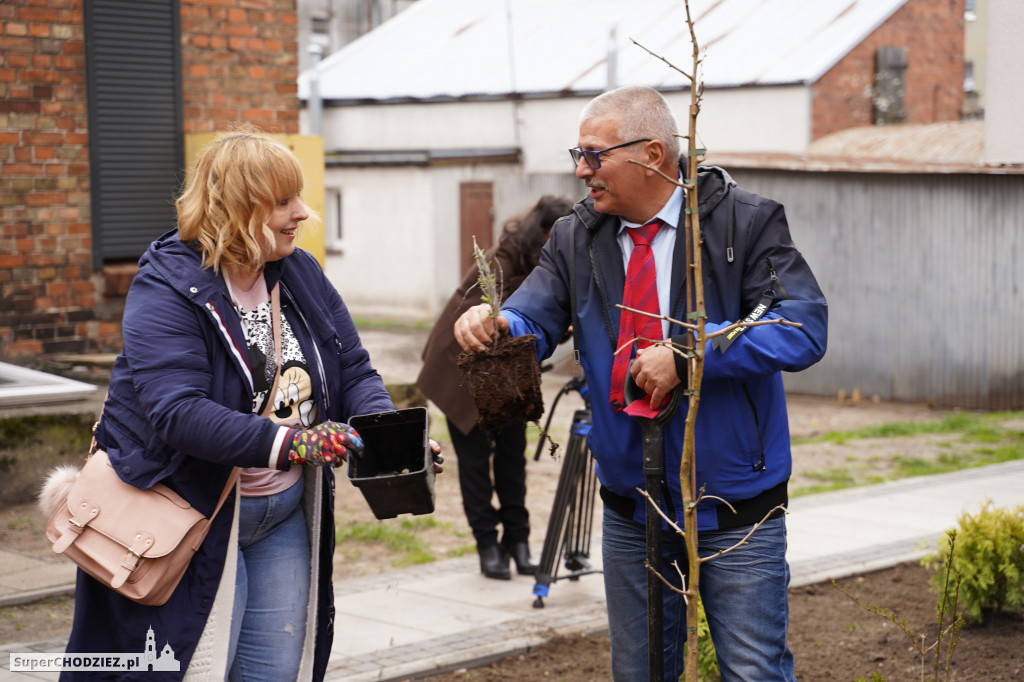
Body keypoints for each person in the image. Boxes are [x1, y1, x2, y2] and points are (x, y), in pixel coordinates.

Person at [455, 85, 827, 680]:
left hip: (735, 510)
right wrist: (497, 322)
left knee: (753, 672)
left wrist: (689, 354)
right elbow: (534, 314)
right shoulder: (575, 237)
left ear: (652, 153)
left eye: (593, 154)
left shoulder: (744, 222)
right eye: (576, 154)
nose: (581, 170)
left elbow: (800, 324)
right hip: (632, 510)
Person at [60, 130, 441, 682]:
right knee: (194, 670)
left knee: (273, 672)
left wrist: (389, 438)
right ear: (238, 207)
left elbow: (352, 368)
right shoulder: (166, 286)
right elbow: (178, 411)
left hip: (283, 517)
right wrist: (293, 441)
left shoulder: (300, 272)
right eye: (284, 202)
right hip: (194, 517)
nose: (303, 214)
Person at [417, 195, 573, 580]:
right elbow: (483, 321)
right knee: (474, 465)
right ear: (542, 231)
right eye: (560, 232)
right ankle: (488, 545)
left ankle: (518, 544)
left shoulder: (542, 266)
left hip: (505, 377)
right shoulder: (500, 263)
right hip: (463, 375)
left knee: (511, 459)